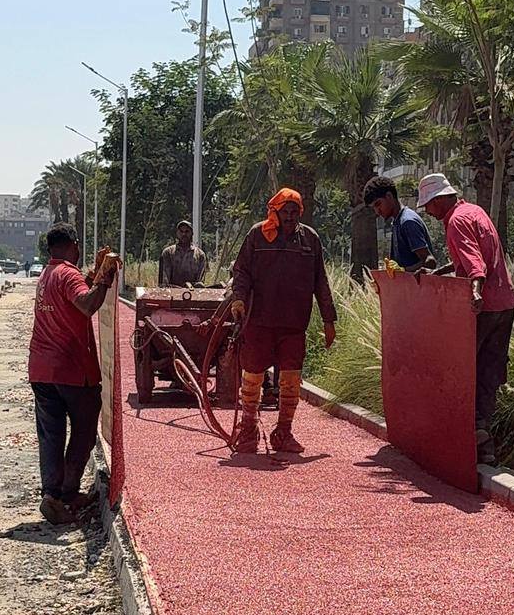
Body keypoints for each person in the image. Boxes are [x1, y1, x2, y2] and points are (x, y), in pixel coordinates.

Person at [417, 173, 514, 463]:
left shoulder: (456, 222)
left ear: (439, 200)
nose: (428, 212)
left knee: (460, 372)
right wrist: (440, 272)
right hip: (504, 304)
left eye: (428, 205)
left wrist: (475, 292)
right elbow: (473, 256)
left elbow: (475, 264)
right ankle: (485, 448)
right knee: (488, 375)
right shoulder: (475, 212)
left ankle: (467, 439)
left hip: (482, 308)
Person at [230, 188, 337, 454]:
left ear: (300, 213)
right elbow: (241, 271)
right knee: (252, 377)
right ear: (274, 212)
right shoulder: (257, 234)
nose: (289, 216)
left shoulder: (310, 239)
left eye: (294, 211)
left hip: (294, 323)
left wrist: (329, 319)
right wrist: (239, 299)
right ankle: (248, 429)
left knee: (291, 380)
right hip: (259, 321)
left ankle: (284, 431)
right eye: (284, 211)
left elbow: (320, 281)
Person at [28, 223, 120, 526]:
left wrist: (93, 275)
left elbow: (76, 294)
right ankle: (67, 492)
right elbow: (87, 304)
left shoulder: (47, 274)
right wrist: (104, 279)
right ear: (74, 245)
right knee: (84, 429)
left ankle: (51, 495)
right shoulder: (68, 274)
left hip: (41, 369)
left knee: (51, 435)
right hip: (70, 368)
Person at [363, 175, 436, 272]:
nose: (377, 212)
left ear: (389, 196)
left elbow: (430, 262)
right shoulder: (397, 222)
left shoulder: (407, 222)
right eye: (374, 208)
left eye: (378, 204)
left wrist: (403, 271)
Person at [158, 221, 207, 287]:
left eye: (187, 231)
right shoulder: (168, 253)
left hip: (193, 291)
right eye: (181, 231)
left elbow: (200, 282)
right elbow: (164, 282)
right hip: (171, 291)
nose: (184, 234)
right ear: (177, 233)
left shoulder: (200, 255)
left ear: (192, 233)